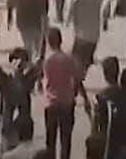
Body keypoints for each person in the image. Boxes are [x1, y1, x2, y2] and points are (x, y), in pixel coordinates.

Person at [42, 27, 82, 159]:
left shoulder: (47, 60)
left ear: (48, 42)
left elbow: (40, 79)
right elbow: (77, 79)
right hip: (66, 103)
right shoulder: (69, 59)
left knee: (50, 142)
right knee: (66, 140)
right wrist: (78, 95)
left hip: (51, 103)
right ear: (61, 41)